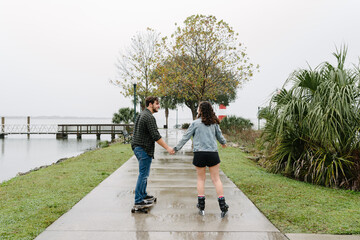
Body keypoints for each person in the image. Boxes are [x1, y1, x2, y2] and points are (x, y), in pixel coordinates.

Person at [173, 101, 229, 217]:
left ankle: (201, 205)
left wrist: (176, 148)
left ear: (200, 110)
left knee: (201, 179)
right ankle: (222, 205)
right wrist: (223, 143)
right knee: (216, 179)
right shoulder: (214, 123)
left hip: (199, 154)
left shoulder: (195, 123)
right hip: (212, 153)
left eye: (198, 108)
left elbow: (185, 137)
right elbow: (220, 136)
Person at [131, 96, 175, 207]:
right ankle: (138, 200)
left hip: (138, 147)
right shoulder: (149, 117)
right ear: (150, 104)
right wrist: (168, 148)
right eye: (157, 104)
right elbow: (156, 136)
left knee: (144, 174)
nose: (159, 106)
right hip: (143, 148)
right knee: (143, 174)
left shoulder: (142, 114)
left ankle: (143, 194)